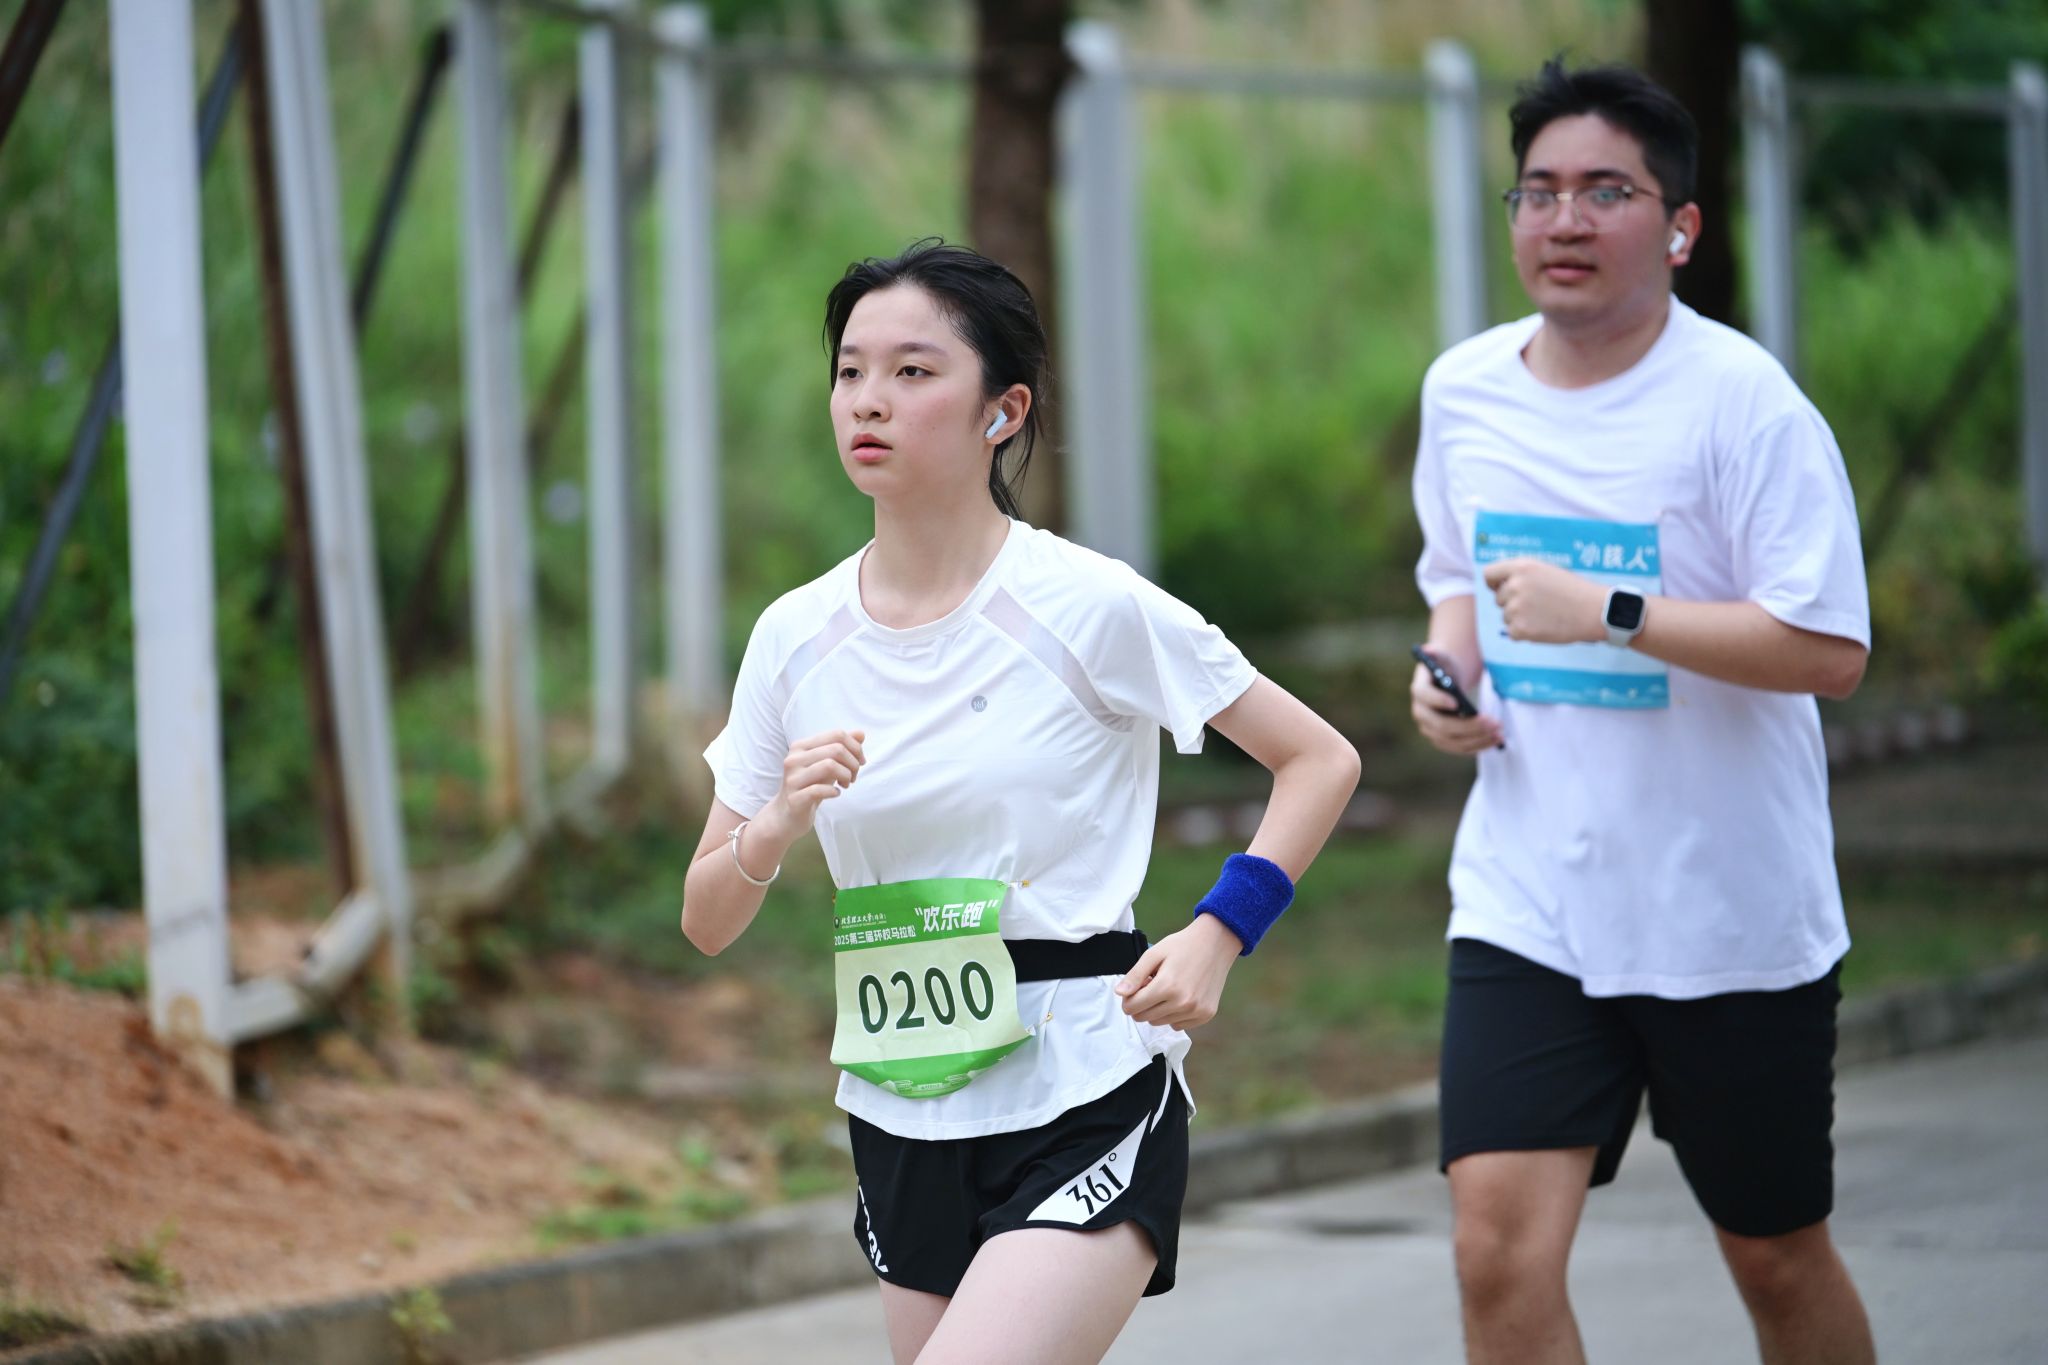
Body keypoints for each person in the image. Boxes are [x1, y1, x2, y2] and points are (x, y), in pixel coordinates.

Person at [680, 239, 1360, 1365]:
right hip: (901, 1097)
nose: (868, 400)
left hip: (1084, 1075)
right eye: (849, 371)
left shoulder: (1085, 603)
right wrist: (776, 824)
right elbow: (706, 918)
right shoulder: (794, 636)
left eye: (912, 371)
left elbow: (1318, 759)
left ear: (1002, 411)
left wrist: (1219, 932)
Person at [1407, 59, 1877, 1365]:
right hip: (1529, 899)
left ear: (1678, 227)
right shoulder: (1464, 389)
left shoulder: (1744, 403)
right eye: (1539, 190)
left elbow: (1829, 649)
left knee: (1774, 1257)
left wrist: (1611, 611)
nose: (1564, 219)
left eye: (1606, 191)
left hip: (1725, 913)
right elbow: (1456, 574)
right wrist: (1446, 671)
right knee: (1495, 1252)